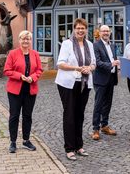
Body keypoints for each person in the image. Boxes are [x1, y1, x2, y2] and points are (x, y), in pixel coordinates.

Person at [55, 18, 96, 161]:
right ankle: (69, 148)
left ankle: (79, 146)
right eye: (78, 28)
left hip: (84, 84)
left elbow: (93, 63)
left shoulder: (90, 45)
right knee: (70, 115)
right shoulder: (67, 44)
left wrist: (89, 68)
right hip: (68, 84)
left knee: (80, 114)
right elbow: (60, 64)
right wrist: (77, 68)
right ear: (74, 29)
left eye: (83, 28)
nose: (80, 31)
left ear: (86, 30)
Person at [3, 30, 43, 154]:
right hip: (15, 90)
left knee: (27, 116)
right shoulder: (12, 54)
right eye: (23, 39)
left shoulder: (35, 54)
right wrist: (20, 76)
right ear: (19, 40)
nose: (26, 41)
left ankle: (26, 140)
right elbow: (7, 70)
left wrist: (33, 77)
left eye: (28, 39)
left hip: (30, 89)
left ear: (31, 41)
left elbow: (39, 70)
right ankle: (13, 142)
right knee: (14, 116)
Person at [91, 25, 119, 140]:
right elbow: (97, 62)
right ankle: (95, 129)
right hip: (100, 79)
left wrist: (117, 66)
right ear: (100, 32)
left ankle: (104, 125)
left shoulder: (112, 46)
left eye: (107, 31)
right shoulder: (96, 45)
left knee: (108, 103)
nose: (106, 33)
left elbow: (113, 59)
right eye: (103, 31)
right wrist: (111, 64)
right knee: (98, 104)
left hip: (111, 78)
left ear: (110, 32)